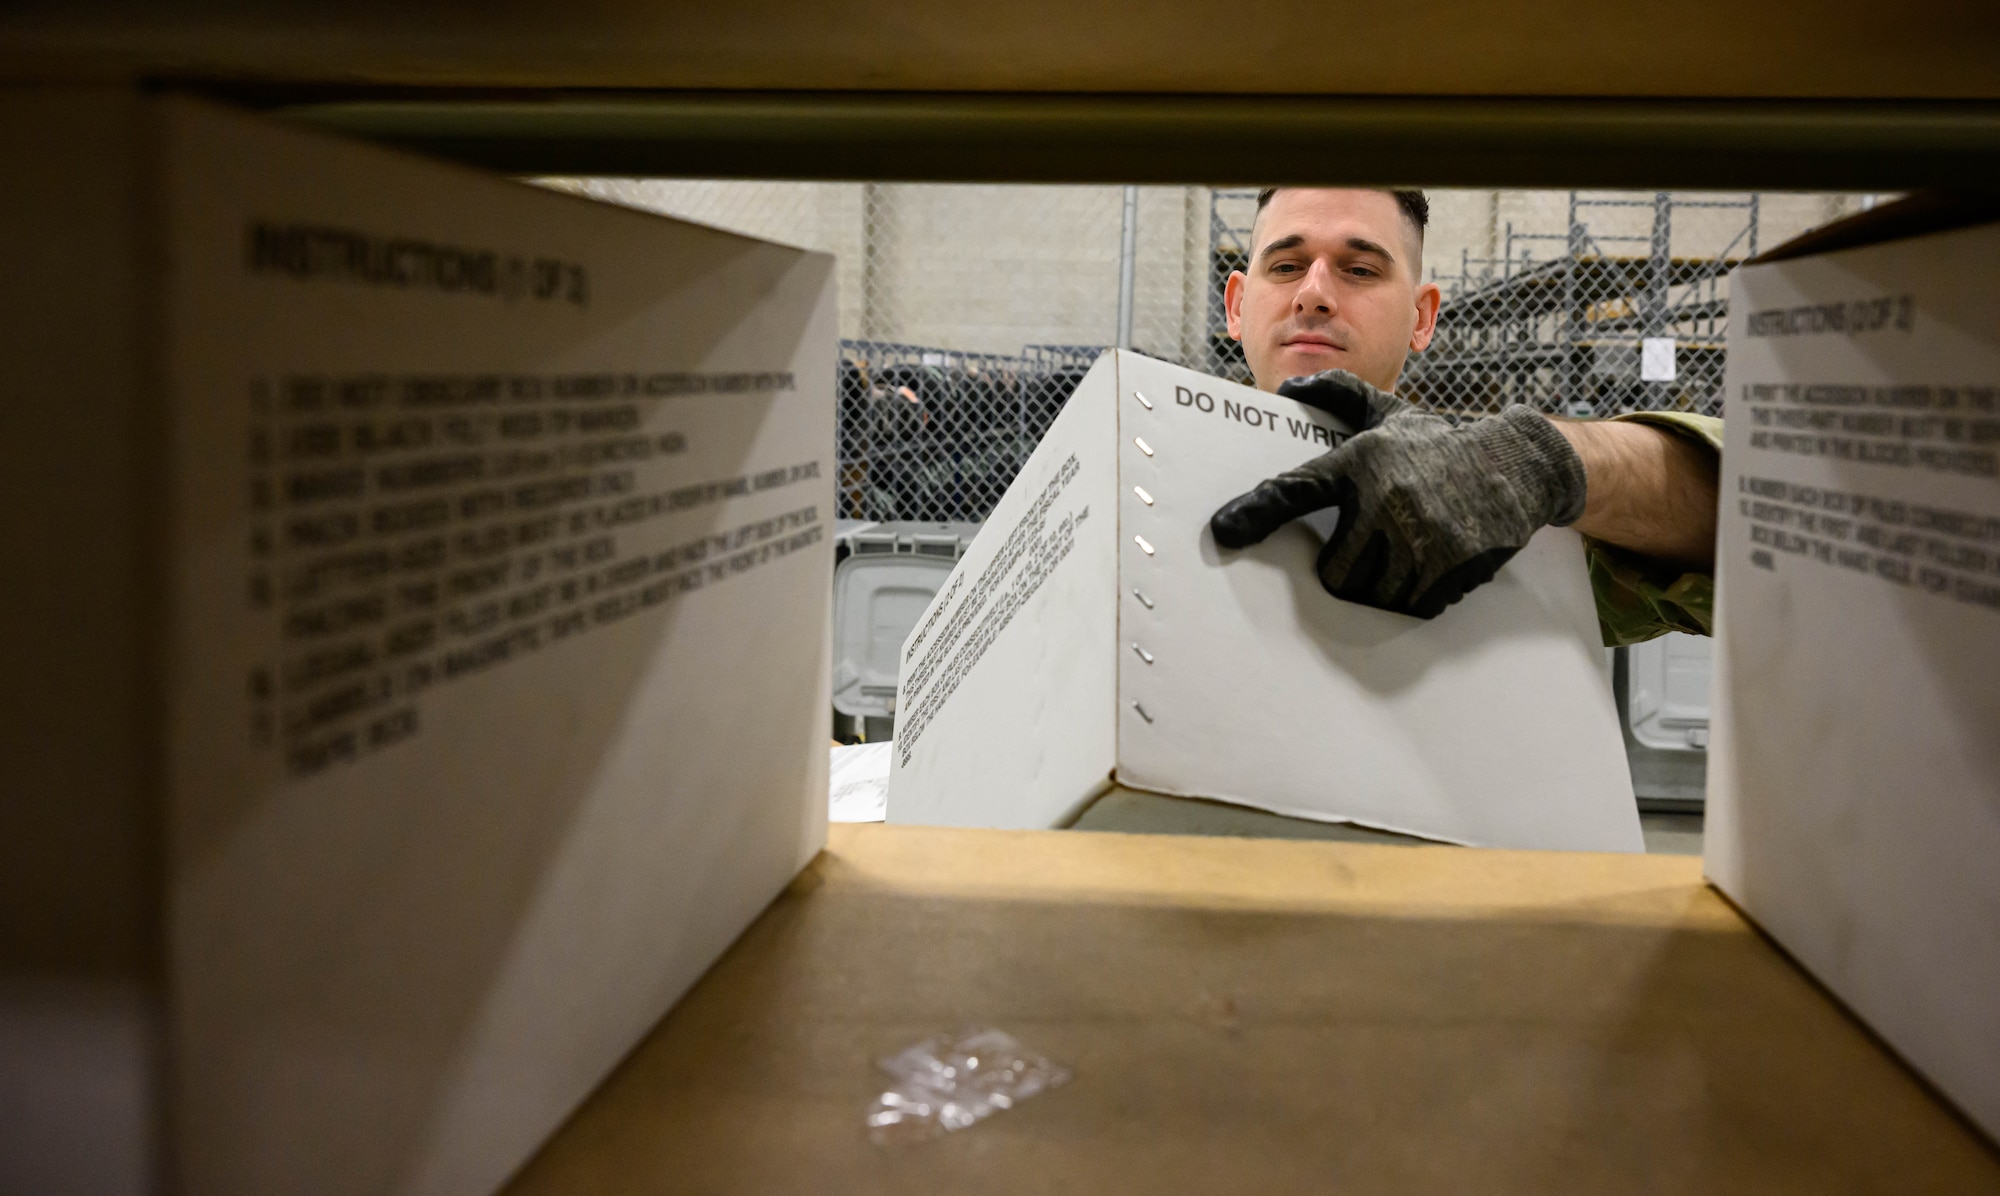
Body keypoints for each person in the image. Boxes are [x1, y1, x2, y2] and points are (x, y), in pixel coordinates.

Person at [1208, 187, 1722, 645]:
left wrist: (1540, 462)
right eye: (1285, 266)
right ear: (1236, 305)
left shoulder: (1498, 517)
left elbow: (1753, 525)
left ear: (1422, 317)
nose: (1314, 295)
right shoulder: (1145, 464)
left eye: (1360, 270)